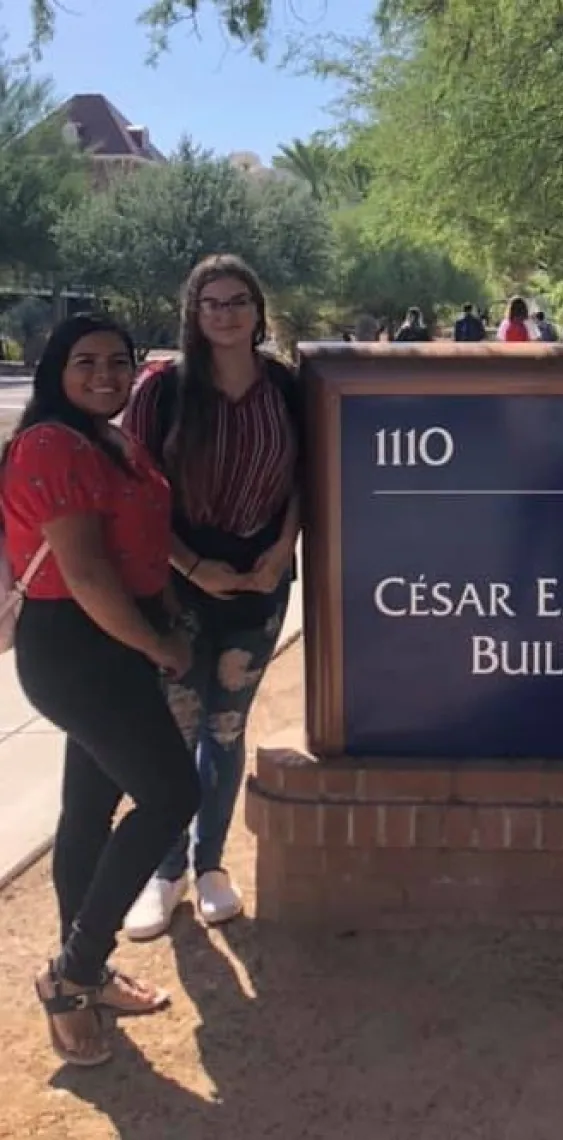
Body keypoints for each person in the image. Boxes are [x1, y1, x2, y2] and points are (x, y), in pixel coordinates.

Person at [1, 315, 199, 1066]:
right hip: (80, 647)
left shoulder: (109, 438)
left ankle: (81, 967)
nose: (106, 374)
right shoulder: (51, 444)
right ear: (56, 368)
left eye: (118, 361)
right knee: (170, 795)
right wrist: (158, 644)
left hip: (113, 642)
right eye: (86, 362)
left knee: (87, 807)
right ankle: (74, 972)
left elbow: (139, 541)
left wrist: (165, 613)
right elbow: (84, 573)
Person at [121, 254, 303, 940]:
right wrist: (192, 566)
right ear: (193, 314)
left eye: (237, 301)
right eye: (211, 303)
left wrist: (283, 551)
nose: (225, 313)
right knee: (177, 729)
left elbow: (304, 480)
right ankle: (164, 872)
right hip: (177, 586)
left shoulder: (285, 388)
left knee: (226, 731)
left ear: (258, 311)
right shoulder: (162, 390)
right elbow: (133, 493)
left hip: (259, 584)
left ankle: (210, 867)